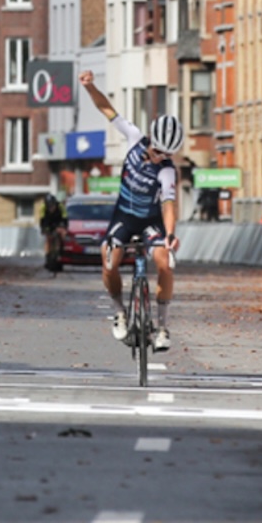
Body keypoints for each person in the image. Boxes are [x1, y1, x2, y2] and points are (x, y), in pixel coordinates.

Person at [80, 71, 181, 352]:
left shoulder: (167, 170)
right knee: (109, 260)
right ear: (152, 140)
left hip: (151, 221)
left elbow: (168, 204)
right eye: (159, 151)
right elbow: (107, 110)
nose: (162, 157)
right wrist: (90, 87)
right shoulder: (135, 137)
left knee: (165, 262)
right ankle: (120, 311)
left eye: (168, 154)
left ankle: (162, 327)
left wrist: (170, 234)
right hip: (124, 216)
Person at [39, 194, 66, 274]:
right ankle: (48, 255)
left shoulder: (60, 206)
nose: (51, 208)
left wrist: (63, 227)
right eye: (49, 207)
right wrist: (44, 229)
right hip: (48, 223)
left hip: (58, 222)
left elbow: (65, 218)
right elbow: (42, 220)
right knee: (48, 239)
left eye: (53, 206)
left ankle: (61, 250)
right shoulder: (43, 208)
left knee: (62, 234)